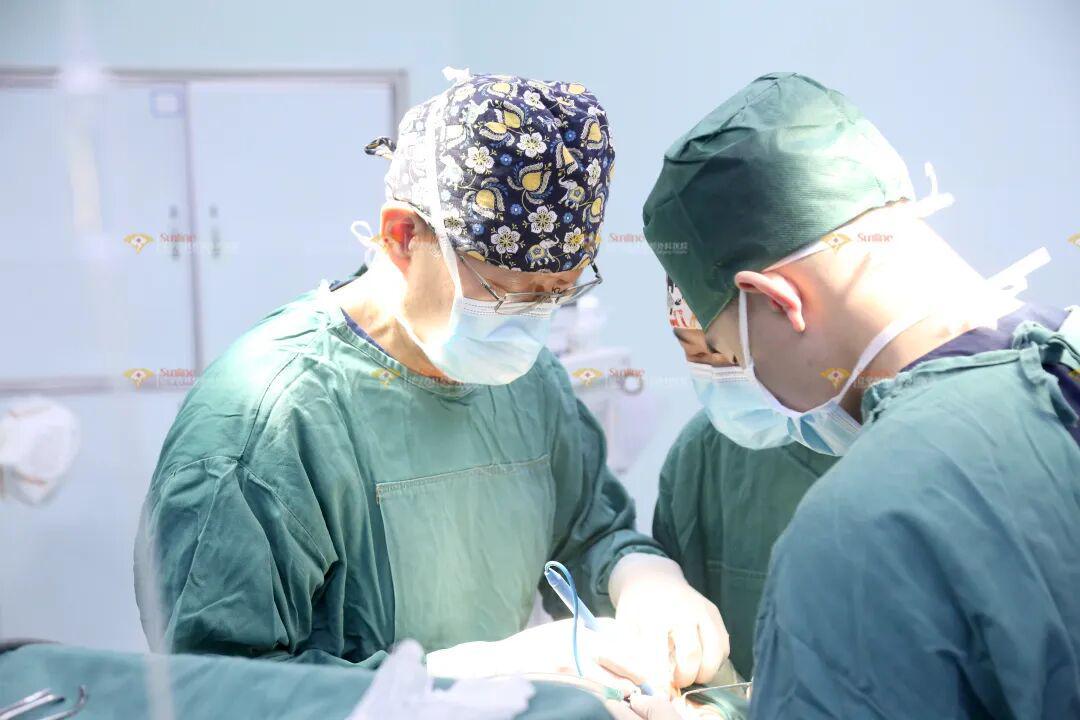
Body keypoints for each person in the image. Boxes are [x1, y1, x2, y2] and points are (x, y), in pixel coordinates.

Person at [133, 69, 726, 694]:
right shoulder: (268, 424)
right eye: (505, 291)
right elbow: (219, 688)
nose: (530, 322)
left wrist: (642, 579)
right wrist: (464, 676)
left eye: (557, 292)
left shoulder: (529, 383)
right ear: (401, 237)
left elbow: (590, 528)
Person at [620, 71, 1080, 719]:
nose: (752, 388)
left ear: (776, 300)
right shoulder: (1063, 364)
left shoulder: (860, 524)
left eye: (735, 357)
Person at [653, 278, 837, 679]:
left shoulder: (899, 444)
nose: (715, 372)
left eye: (729, 353)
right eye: (694, 352)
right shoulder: (703, 452)